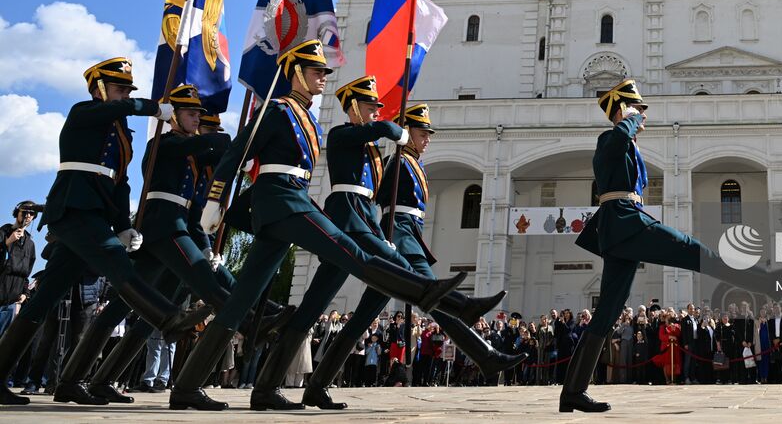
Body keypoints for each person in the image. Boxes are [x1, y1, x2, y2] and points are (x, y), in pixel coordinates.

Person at [169, 40, 485, 411]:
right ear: (296, 73)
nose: (322, 77)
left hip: (291, 202)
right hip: (281, 201)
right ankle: (443, 298)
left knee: (239, 302)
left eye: (322, 71)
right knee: (351, 253)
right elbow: (239, 153)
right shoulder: (277, 110)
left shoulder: (305, 117)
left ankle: (205, 388)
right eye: (316, 71)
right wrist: (214, 199)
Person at [250, 79, 512, 410]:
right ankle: (464, 310)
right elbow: (377, 157)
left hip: (366, 225)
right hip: (349, 223)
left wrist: (380, 224)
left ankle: (307, 386)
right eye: (370, 106)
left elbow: (377, 195)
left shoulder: (379, 153)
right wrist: (393, 131)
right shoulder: (345, 135)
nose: (376, 111)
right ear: (352, 108)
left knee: (318, 312)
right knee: (410, 279)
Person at [559, 79, 782, 412]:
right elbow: (615, 146)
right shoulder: (611, 139)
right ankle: (768, 281)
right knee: (697, 252)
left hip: (623, 229)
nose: (643, 118)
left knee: (607, 313)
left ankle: (572, 392)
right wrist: (628, 119)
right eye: (639, 111)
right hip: (625, 221)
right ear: (625, 110)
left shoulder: (626, 143)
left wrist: (629, 124)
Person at [0, 58, 206, 407]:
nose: (125, 94)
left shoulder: (122, 131)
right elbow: (107, 124)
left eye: (128, 89)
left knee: (44, 297)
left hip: (96, 211)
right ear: (99, 88)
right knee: (115, 261)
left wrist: (124, 226)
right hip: (74, 208)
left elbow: (120, 183)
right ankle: (167, 317)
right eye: (119, 88)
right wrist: (151, 106)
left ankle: (66, 382)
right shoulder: (84, 111)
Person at [0, 202, 38, 338]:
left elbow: (26, 273)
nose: (27, 216)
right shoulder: (3, 232)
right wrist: (6, 243)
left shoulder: (30, 244)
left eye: (31, 213)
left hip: (12, 300)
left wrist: (25, 293)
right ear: (17, 213)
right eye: (25, 212)